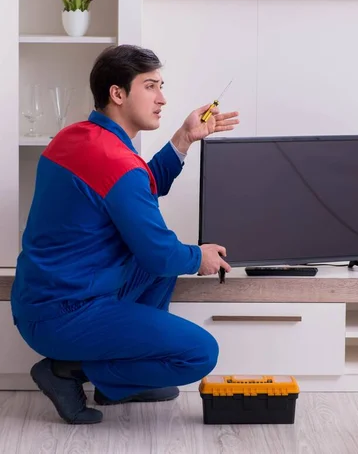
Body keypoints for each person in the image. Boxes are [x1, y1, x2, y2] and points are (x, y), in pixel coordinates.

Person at [11, 44, 239, 425]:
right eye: (150, 86)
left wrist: (184, 136)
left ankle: (122, 378)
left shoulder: (77, 137)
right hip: (64, 314)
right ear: (117, 93)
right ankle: (68, 371)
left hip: (44, 299)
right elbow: (160, 253)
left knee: (157, 261)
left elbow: (137, 187)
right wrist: (200, 256)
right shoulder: (115, 162)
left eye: (161, 86)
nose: (162, 98)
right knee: (200, 354)